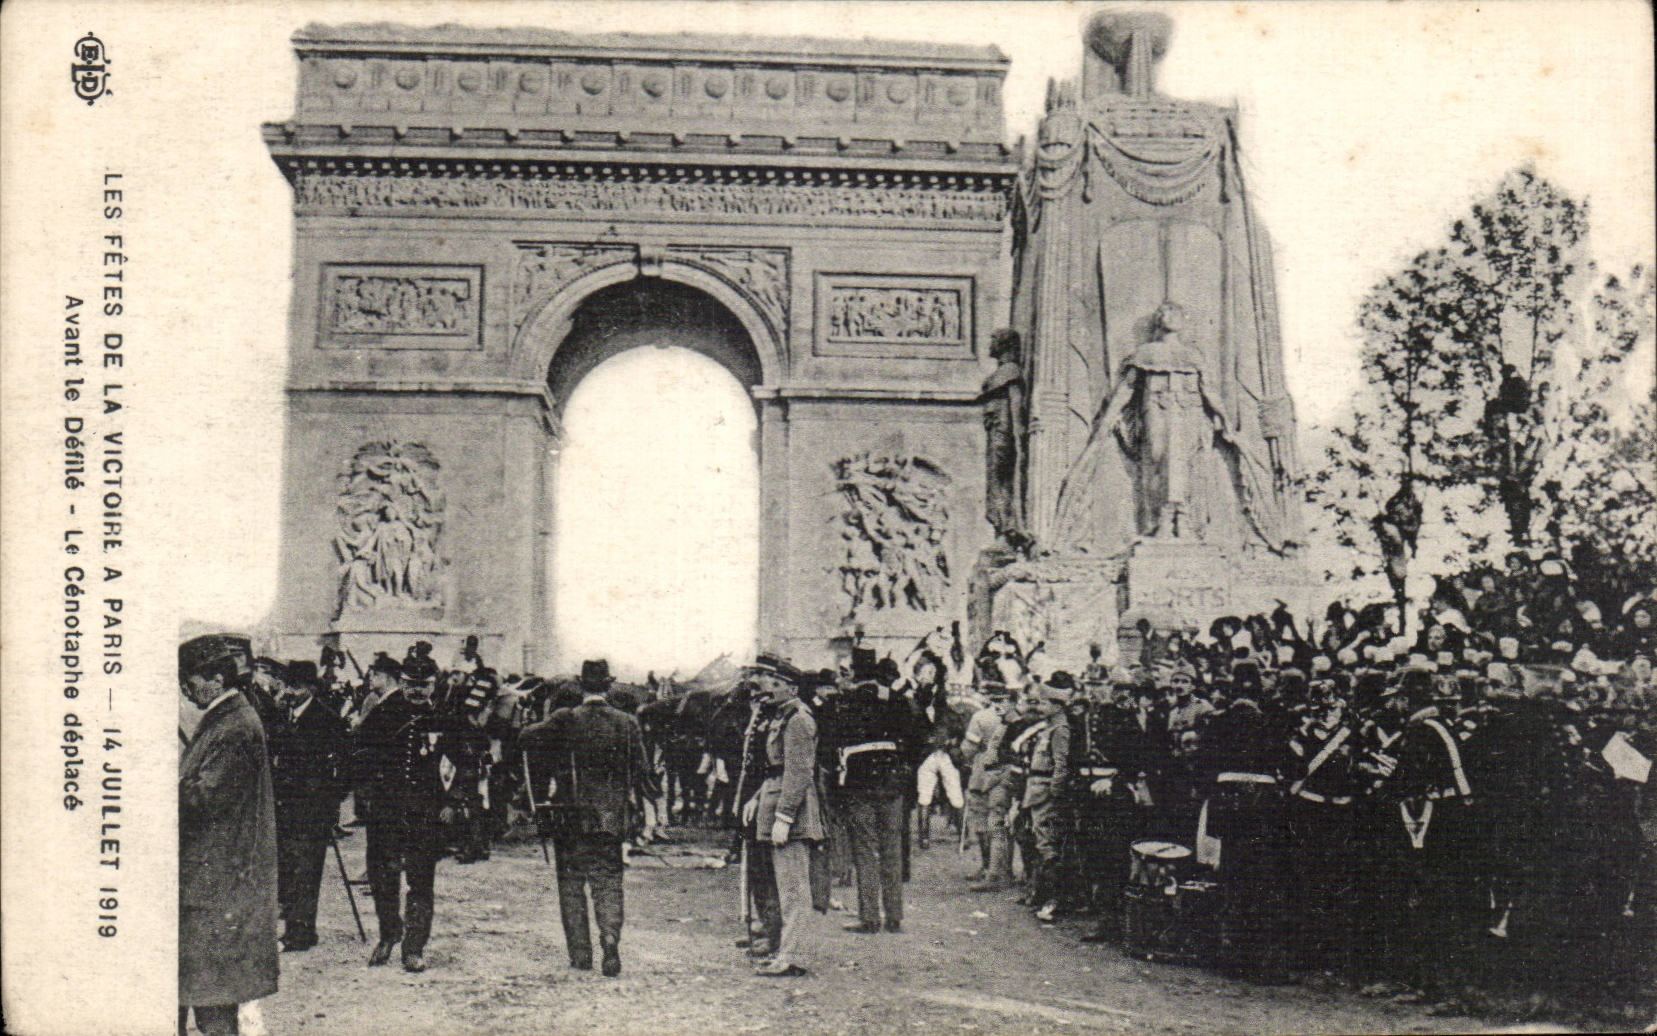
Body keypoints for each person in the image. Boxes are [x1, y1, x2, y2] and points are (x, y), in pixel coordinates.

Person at [519, 659, 657, 977]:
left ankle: (581, 954)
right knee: (608, 880)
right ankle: (609, 940)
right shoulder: (626, 723)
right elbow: (643, 772)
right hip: (610, 816)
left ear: (581, 685)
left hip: (570, 815)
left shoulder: (566, 718)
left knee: (571, 883)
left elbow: (525, 738)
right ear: (609, 686)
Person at [178, 634, 280, 1036]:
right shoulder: (228, 719)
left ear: (217, 679)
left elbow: (205, 798)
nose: (185, 689)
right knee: (204, 993)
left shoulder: (235, 725)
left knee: (213, 1001)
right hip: (215, 879)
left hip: (219, 882)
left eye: (190, 680)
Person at [349, 653, 448, 972]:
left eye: (424, 685)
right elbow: (360, 755)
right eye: (410, 685)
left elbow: (460, 763)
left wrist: (451, 802)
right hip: (386, 812)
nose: (417, 691)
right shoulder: (383, 715)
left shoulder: (444, 717)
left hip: (424, 814)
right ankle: (388, 934)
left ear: (434, 685)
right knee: (383, 877)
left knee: (420, 881)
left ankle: (414, 947)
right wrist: (365, 788)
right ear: (402, 683)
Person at [825, 651, 920, 934]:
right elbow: (916, 739)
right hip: (892, 782)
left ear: (854, 672)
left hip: (858, 783)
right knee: (892, 849)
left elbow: (831, 745)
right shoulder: (898, 700)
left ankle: (869, 917)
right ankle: (894, 916)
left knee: (865, 851)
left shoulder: (843, 701)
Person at [749, 653, 826, 976]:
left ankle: (791, 957)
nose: (771, 688)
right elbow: (776, 769)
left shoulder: (799, 720)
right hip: (776, 803)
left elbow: (798, 772)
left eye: (778, 684)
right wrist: (757, 798)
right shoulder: (784, 716)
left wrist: (784, 816)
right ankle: (784, 952)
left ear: (793, 689)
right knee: (783, 887)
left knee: (794, 890)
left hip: (791, 814)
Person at [271, 659, 349, 952]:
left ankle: (301, 933)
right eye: (288, 685)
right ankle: (294, 927)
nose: (291, 691)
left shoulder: (326, 719)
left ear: (311, 688)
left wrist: (331, 800)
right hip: (287, 807)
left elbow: (345, 766)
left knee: (306, 871)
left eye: (297, 687)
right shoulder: (286, 715)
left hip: (313, 810)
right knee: (290, 869)